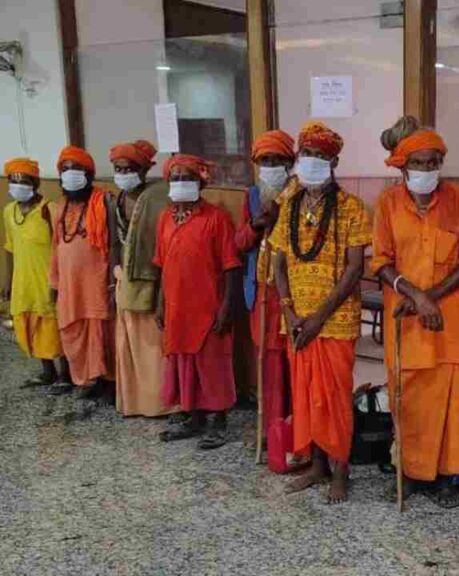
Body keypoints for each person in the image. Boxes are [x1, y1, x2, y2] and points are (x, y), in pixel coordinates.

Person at [371, 116, 459, 509]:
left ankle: (450, 478)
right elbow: (381, 261)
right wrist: (416, 297)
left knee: (454, 401)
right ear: (403, 166)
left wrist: (431, 297)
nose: (427, 169)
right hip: (406, 318)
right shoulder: (387, 203)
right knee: (409, 399)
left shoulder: (458, 198)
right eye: (418, 163)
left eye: (433, 162)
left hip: (450, 318)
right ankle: (411, 473)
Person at [270, 121, 371, 504]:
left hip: (336, 321)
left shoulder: (351, 208)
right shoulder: (290, 205)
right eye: (307, 154)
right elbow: (279, 262)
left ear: (335, 161)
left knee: (334, 398)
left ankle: (340, 470)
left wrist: (318, 317)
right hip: (296, 319)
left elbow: (355, 269)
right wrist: (288, 310)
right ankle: (316, 466)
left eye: (320, 155)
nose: (312, 161)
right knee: (305, 393)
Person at [153, 154, 241, 450]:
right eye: (176, 178)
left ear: (200, 182)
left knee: (212, 365)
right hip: (177, 307)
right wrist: (160, 302)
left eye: (188, 178)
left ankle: (218, 421)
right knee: (183, 362)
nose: (181, 182)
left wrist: (226, 308)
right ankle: (193, 417)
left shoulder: (216, 218)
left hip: (208, 307)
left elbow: (231, 267)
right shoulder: (165, 218)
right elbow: (162, 264)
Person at [108, 139, 175, 417]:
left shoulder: (158, 198)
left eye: (130, 169)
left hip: (154, 280)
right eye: (118, 169)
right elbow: (115, 242)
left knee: (154, 346)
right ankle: (135, 402)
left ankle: (161, 403)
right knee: (131, 344)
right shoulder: (116, 199)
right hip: (126, 279)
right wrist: (114, 276)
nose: (124, 174)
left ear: (144, 170)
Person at [236, 130, 295, 439]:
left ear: (290, 163)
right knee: (268, 362)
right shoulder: (252, 196)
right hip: (260, 289)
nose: (270, 166)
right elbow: (239, 242)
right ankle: (271, 431)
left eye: (276, 160)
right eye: (264, 161)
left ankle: (296, 428)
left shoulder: (300, 193)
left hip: (294, 292)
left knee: (293, 358)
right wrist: (256, 224)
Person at [48, 146, 114, 398]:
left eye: (76, 168)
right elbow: (56, 246)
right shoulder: (61, 206)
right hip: (69, 284)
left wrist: (112, 278)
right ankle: (86, 379)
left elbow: (113, 243)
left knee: (101, 332)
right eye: (65, 169)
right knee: (72, 330)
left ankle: (105, 381)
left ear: (89, 174)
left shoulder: (103, 201)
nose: (70, 173)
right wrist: (54, 282)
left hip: (96, 281)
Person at [3, 157, 70, 389]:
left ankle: (65, 375)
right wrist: (8, 280)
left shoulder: (49, 210)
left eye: (24, 181)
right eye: (13, 181)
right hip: (23, 282)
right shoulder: (9, 211)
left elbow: (61, 248)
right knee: (31, 325)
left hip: (46, 279)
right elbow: (9, 248)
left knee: (53, 326)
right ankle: (47, 372)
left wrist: (59, 281)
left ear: (35, 183)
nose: (18, 185)